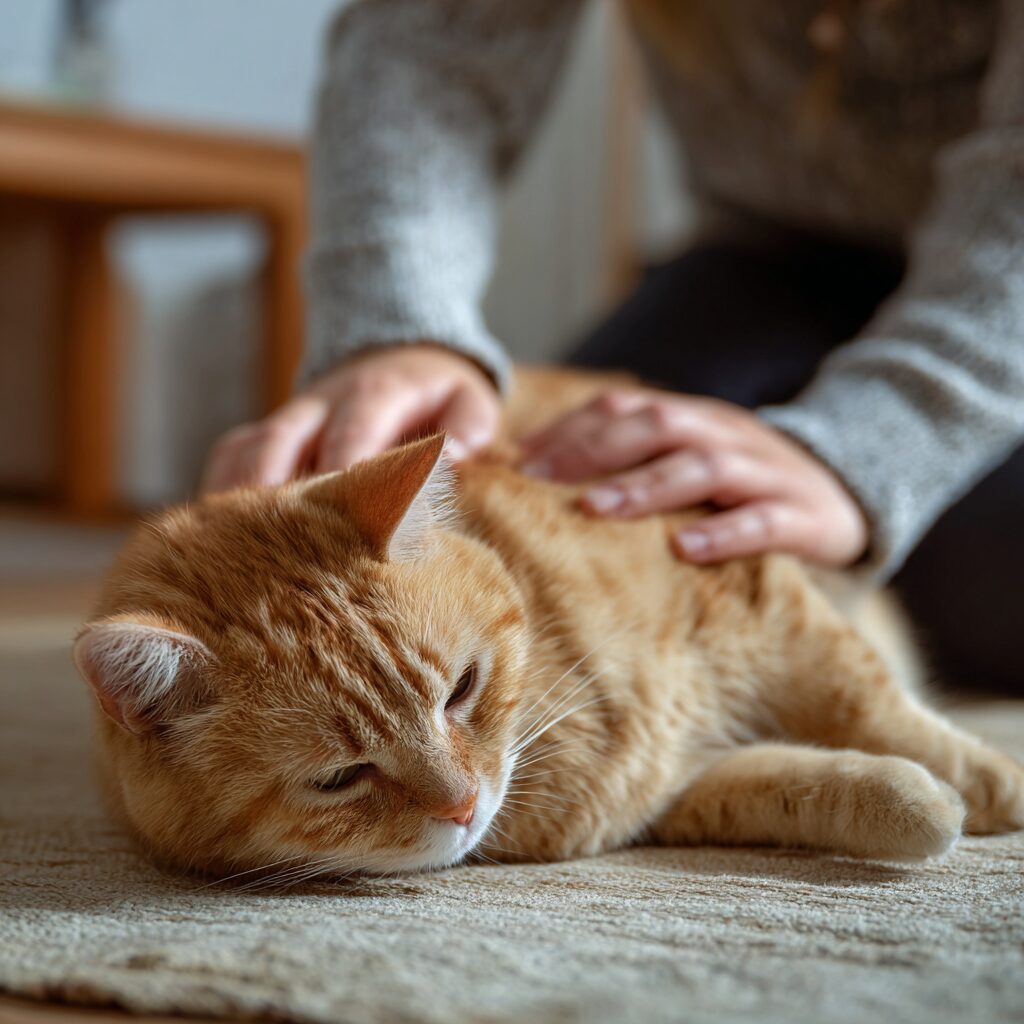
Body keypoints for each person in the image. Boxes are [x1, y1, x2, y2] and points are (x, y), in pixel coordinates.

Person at [201, 1, 1024, 689]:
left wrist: (870, 452)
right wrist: (397, 326)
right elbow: (426, 47)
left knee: (975, 593)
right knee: (578, 518)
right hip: (764, 259)